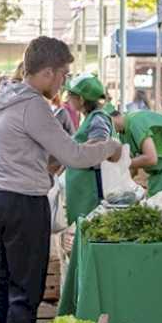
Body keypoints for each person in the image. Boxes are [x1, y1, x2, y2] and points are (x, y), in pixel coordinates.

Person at [0, 36, 122, 323]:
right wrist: (110, 147)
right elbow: (74, 155)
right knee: (24, 287)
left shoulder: (1, 98)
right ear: (47, 72)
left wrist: (45, 164)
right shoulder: (33, 105)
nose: (62, 83)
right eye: (62, 75)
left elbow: (18, 148)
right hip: (22, 201)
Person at [63, 73, 114, 225]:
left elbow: (99, 146)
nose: (67, 100)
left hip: (90, 185)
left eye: (70, 96)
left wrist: (72, 150)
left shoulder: (98, 118)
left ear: (81, 99)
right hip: (81, 184)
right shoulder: (89, 118)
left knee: (89, 225)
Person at [110, 108, 162, 197]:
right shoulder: (123, 134)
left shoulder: (135, 121)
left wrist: (122, 163)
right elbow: (133, 166)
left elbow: (151, 158)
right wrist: (120, 187)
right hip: (160, 172)